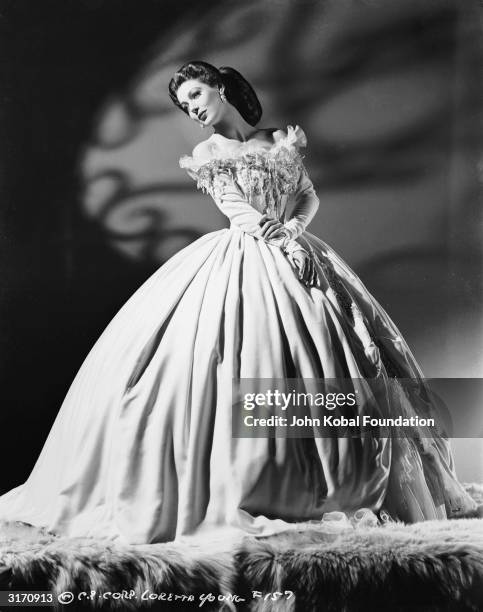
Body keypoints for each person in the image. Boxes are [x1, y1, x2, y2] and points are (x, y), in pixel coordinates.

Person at [0, 61, 476, 545]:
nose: (193, 110)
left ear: (220, 88)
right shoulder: (208, 152)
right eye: (185, 106)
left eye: (197, 97)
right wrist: (281, 243)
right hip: (247, 254)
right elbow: (237, 210)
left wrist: (294, 231)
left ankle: (339, 481)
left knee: (346, 357)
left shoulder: (276, 139)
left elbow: (307, 195)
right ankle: (254, 482)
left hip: (293, 242)